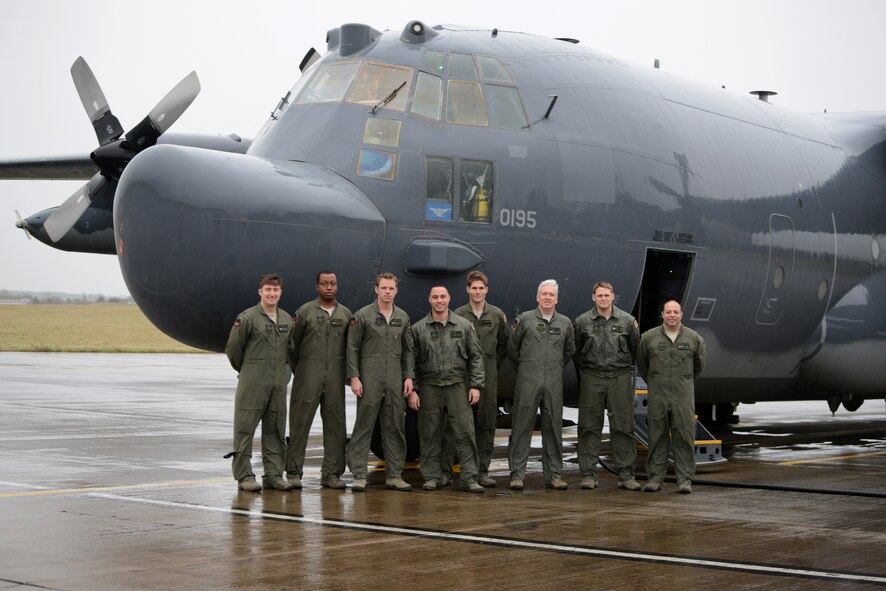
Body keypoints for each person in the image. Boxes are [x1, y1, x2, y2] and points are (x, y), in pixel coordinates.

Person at [405, 285, 486, 493]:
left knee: (465, 432)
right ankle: (432, 476)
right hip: (430, 386)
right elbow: (410, 361)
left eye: (442, 296)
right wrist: (412, 389)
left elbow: (476, 357)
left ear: (449, 298)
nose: (439, 300)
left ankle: (469, 478)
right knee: (429, 433)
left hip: (457, 385)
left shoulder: (464, 326)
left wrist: (475, 385)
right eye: (435, 297)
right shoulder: (418, 329)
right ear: (429, 300)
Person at [224, 273, 295, 492]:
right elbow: (233, 350)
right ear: (260, 292)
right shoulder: (247, 318)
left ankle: (273, 474)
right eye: (268, 290)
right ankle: (244, 475)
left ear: (280, 292)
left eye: (275, 290)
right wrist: (248, 371)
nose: (272, 294)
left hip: (278, 385)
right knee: (245, 429)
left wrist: (283, 374)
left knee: (275, 429)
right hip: (252, 383)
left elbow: (290, 350)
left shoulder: (286, 319)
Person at [345, 272, 413, 492]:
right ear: (376, 289)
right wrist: (354, 376)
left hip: (394, 377)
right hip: (369, 376)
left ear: (396, 291)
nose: (387, 292)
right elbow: (352, 347)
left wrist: (409, 377)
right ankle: (358, 475)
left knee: (395, 426)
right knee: (364, 426)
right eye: (383, 288)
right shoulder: (362, 316)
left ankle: (394, 474)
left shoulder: (402, 317)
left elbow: (408, 351)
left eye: (391, 288)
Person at [285, 271, 352, 490]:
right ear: (317, 287)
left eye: (333, 283)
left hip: (334, 377)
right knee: (299, 423)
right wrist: (303, 369)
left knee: (335, 424)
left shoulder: (345, 314)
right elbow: (292, 345)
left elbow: (350, 347)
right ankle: (294, 472)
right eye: (325, 284)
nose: (329, 287)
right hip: (307, 376)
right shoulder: (305, 312)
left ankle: (332, 474)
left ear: (337, 285)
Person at [507, 279, 576, 490]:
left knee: (554, 428)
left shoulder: (565, 323)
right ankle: (517, 475)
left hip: (553, 381)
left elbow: (569, 351)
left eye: (551, 295)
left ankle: (554, 475)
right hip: (528, 380)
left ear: (556, 299)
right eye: (544, 294)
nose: (547, 298)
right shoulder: (525, 320)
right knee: (521, 427)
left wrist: (553, 367)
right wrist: (529, 366)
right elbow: (512, 348)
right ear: (538, 297)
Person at [573, 281, 642, 491]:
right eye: (599, 295)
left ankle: (626, 475)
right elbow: (576, 351)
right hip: (592, 376)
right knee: (588, 426)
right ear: (593, 297)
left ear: (613, 296)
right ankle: (588, 474)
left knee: (623, 426)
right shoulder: (582, 322)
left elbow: (634, 347)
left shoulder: (628, 321)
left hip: (619, 376)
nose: (603, 299)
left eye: (607, 295)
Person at [636, 300, 706, 494]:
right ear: (662, 314)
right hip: (658, 394)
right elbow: (642, 365)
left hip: (682, 395)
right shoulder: (649, 338)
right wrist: (655, 381)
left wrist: (683, 382)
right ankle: (655, 478)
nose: (672, 315)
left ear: (681, 314)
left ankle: (684, 479)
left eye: (676, 312)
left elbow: (698, 366)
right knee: (656, 436)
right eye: (669, 312)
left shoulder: (694, 338)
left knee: (684, 435)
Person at [447, 271, 509, 488]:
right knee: (463, 425)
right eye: (474, 288)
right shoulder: (458, 314)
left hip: (489, 375)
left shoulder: (496, 314)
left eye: (481, 288)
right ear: (467, 290)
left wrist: (489, 364)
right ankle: (465, 471)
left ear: (486, 290)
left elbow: (504, 344)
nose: (477, 292)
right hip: (463, 376)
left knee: (487, 423)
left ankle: (482, 471)